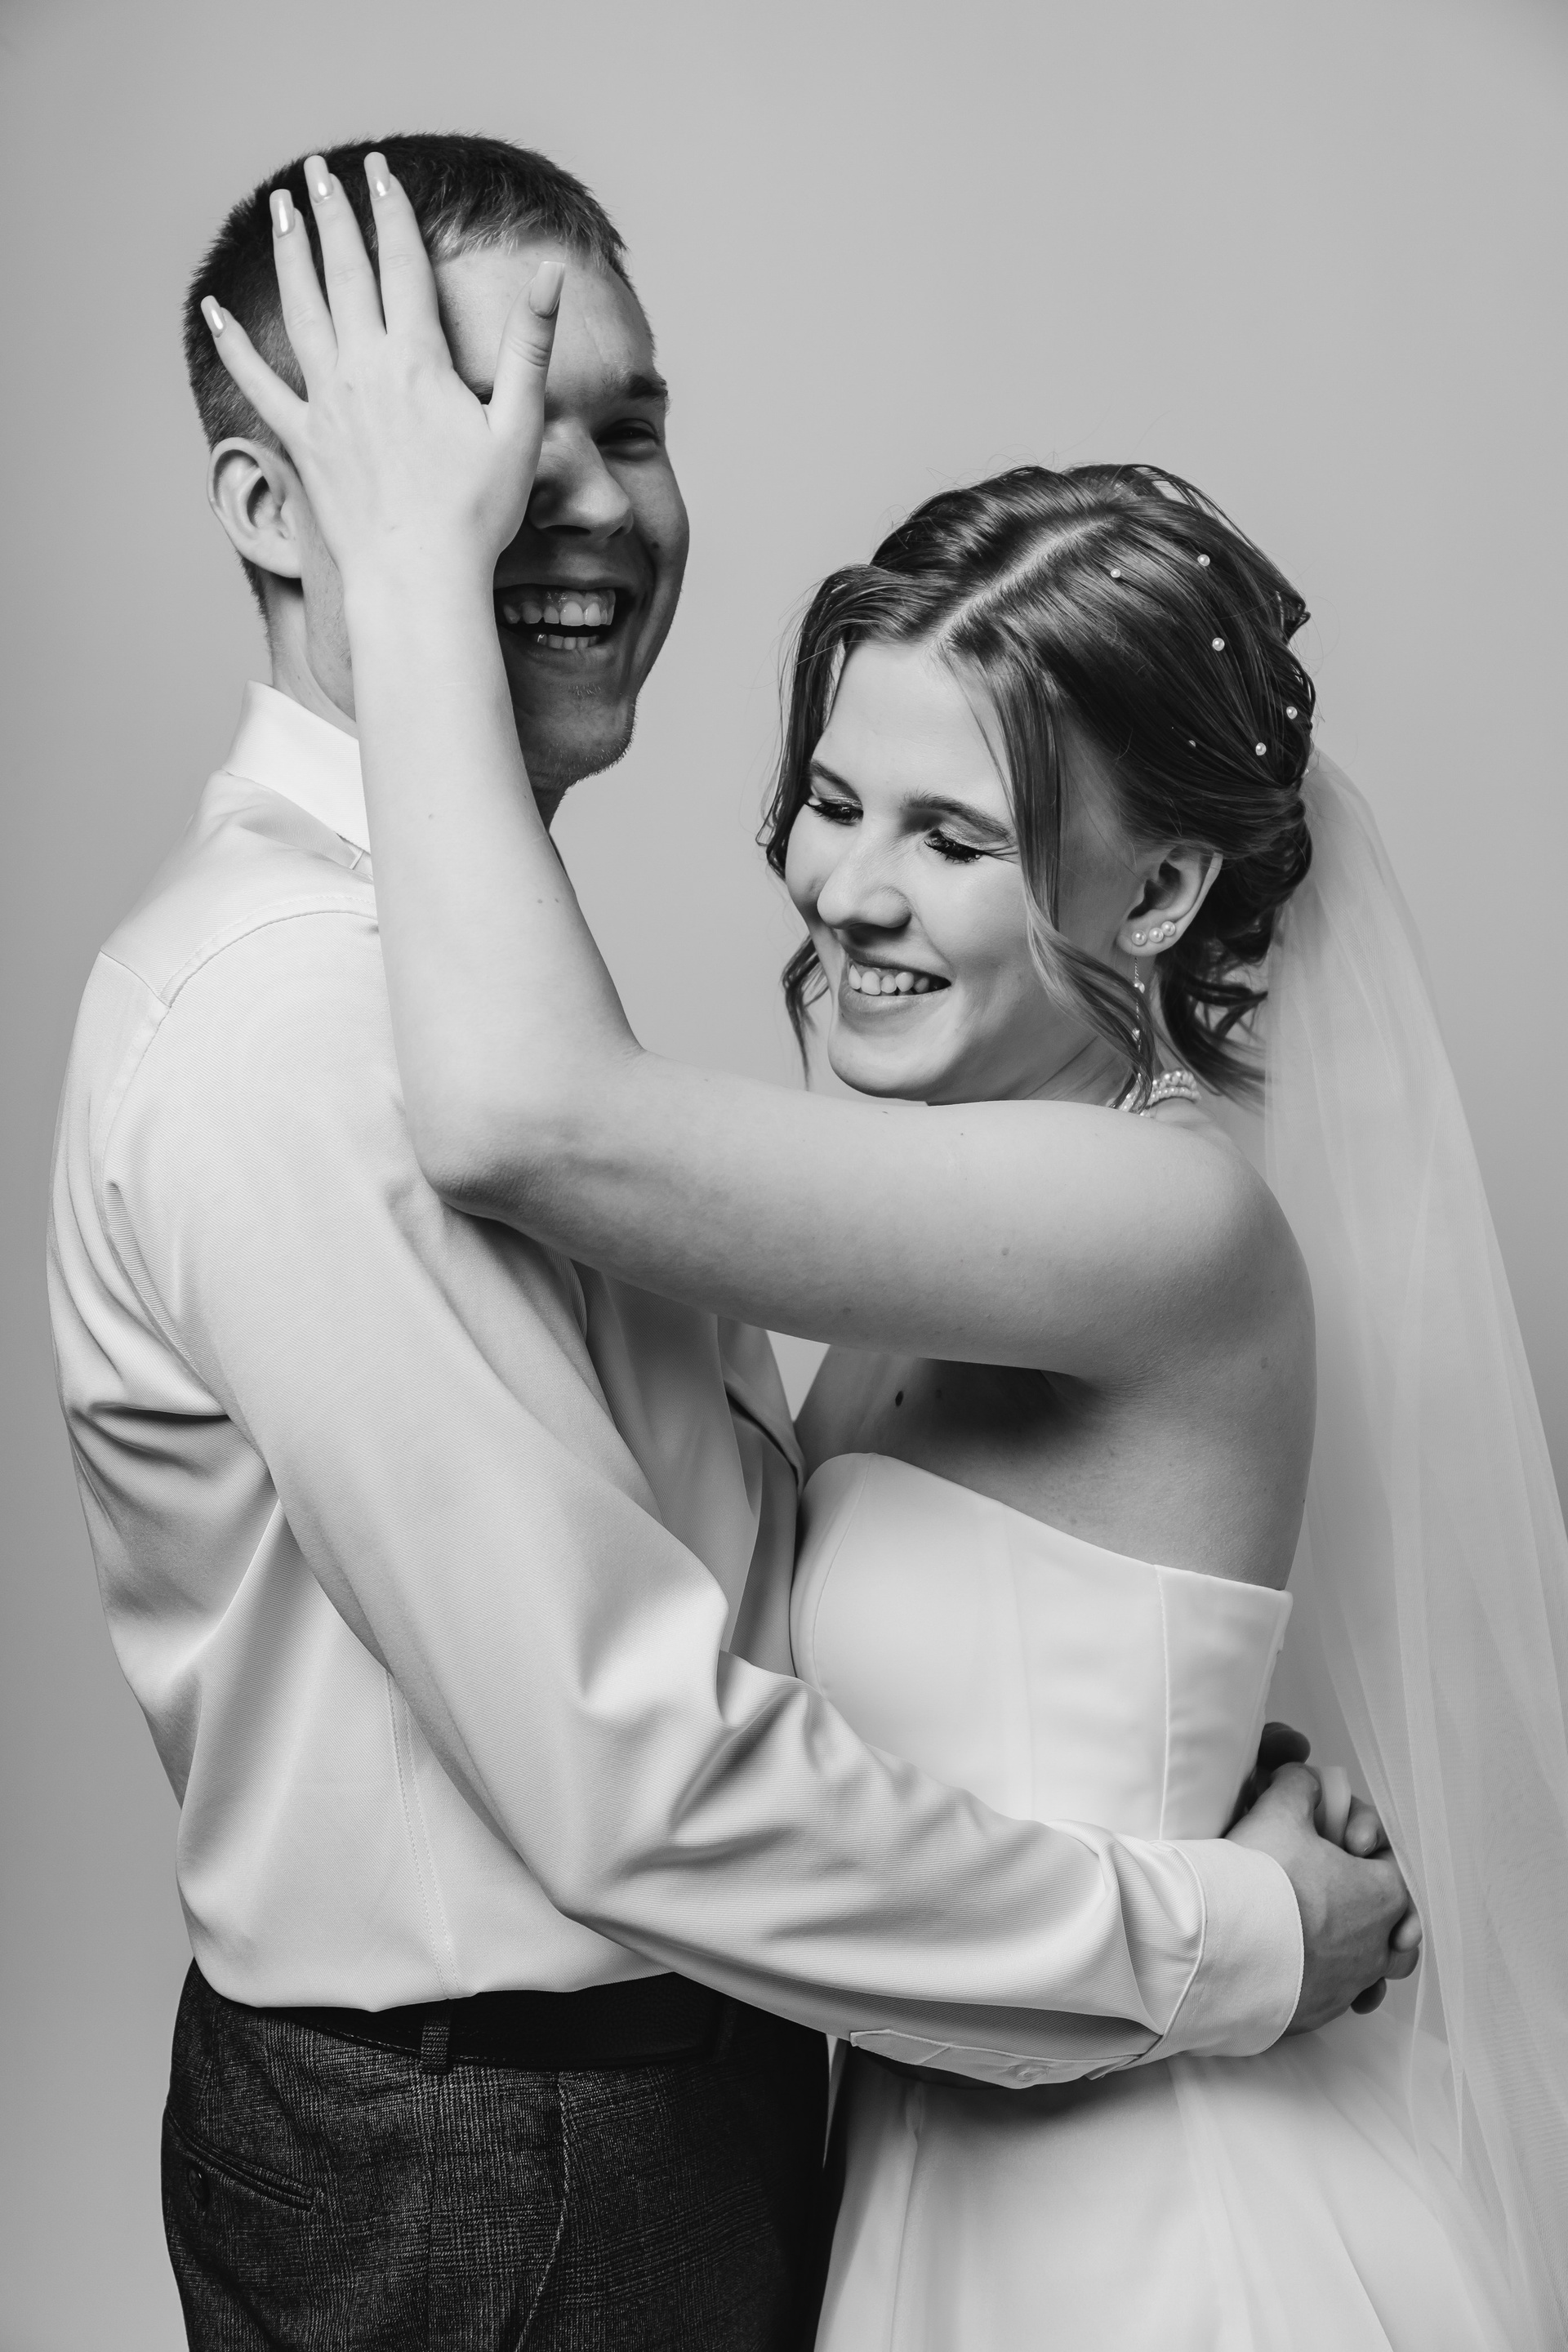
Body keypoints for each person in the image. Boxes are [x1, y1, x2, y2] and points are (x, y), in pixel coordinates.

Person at [47, 136, 1412, 2352]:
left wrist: (1166, 1775)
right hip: (516, 2165)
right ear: (287, 506)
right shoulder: (319, 1021)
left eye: (633, 423)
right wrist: (1220, 1921)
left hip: (778, 2117)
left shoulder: (490, 977)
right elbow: (634, 1774)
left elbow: (758, 1572)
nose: (583, 496)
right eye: (480, 433)